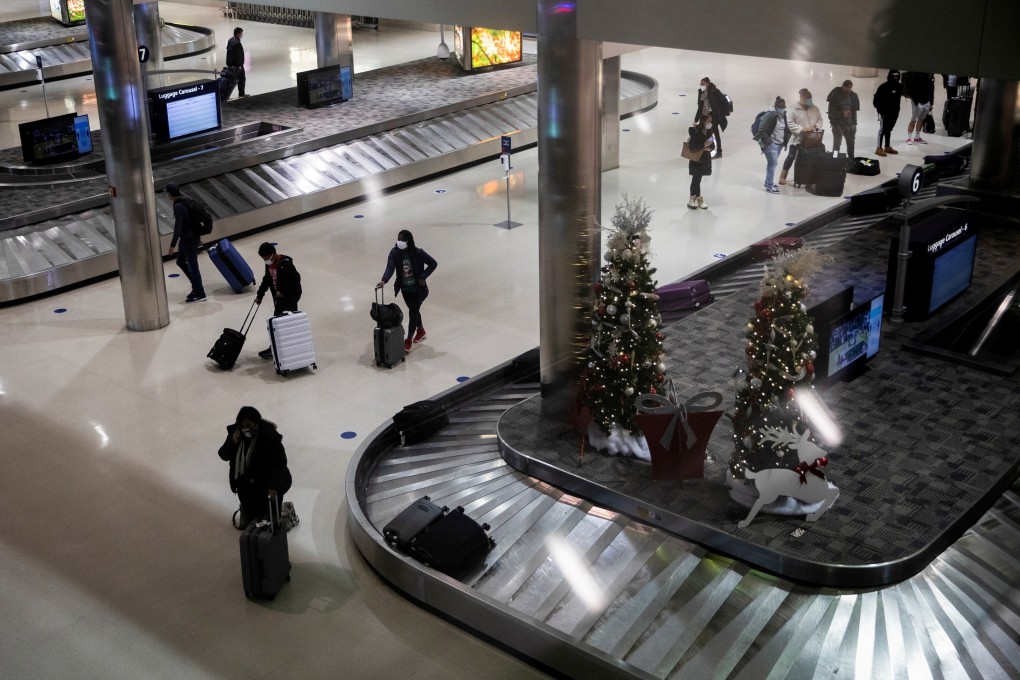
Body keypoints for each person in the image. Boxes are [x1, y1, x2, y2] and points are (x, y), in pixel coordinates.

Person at [218, 406, 292, 529]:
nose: (246, 429)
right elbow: (223, 455)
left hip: (269, 483)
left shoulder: (269, 437)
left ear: (257, 423)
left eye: (249, 425)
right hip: (246, 483)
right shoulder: (236, 434)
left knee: (269, 519)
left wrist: (274, 487)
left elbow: (280, 465)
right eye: (243, 426)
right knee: (253, 518)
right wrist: (232, 441)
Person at [376, 230, 438, 353]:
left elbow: (433, 263)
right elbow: (390, 267)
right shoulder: (394, 253)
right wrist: (384, 280)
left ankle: (408, 340)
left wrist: (423, 277)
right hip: (405, 289)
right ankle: (421, 331)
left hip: (419, 290)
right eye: (398, 239)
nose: (400, 242)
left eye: (403, 240)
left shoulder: (417, 252)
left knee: (413, 312)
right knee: (414, 310)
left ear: (408, 242)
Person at [255, 242, 302, 360]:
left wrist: (283, 292)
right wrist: (260, 295)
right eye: (263, 259)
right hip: (279, 299)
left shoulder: (285, 264)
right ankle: (275, 348)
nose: (266, 261)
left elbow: (296, 280)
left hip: (289, 299)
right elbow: (267, 279)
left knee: (287, 324)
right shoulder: (269, 264)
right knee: (277, 324)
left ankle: (289, 349)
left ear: (273, 254)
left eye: (266, 258)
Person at [165, 183, 206, 303]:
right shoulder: (185, 200)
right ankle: (196, 287)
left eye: (168, 193)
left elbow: (178, 227)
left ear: (171, 194)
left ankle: (200, 293)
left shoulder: (179, 207)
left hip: (190, 240)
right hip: (187, 238)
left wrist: (172, 245)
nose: (167, 195)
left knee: (193, 267)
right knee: (180, 261)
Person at [779, 88, 823, 186]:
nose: (810, 101)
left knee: (813, 157)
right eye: (807, 99)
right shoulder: (793, 109)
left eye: (810, 99)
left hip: (812, 139)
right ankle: (782, 176)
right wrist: (802, 129)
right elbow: (789, 123)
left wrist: (816, 126)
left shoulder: (815, 108)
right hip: (797, 139)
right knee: (791, 156)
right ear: (801, 98)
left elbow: (820, 120)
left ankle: (811, 176)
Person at [753, 97, 791, 194]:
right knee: (772, 164)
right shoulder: (769, 115)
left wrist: (785, 141)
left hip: (779, 144)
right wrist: (769, 143)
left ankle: (768, 183)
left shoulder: (783, 115)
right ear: (776, 106)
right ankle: (769, 186)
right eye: (780, 107)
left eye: (783, 107)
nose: (782, 109)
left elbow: (785, 127)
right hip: (771, 144)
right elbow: (761, 130)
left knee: (773, 164)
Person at [694, 77, 730, 157]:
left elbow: (724, 101)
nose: (701, 85)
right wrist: (696, 120)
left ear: (708, 84)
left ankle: (717, 151)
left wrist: (724, 112)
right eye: (700, 84)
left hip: (713, 116)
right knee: (706, 133)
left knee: (713, 133)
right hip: (704, 117)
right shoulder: (701, 92)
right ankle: (711, 148)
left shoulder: (714, 92)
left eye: (703, 84)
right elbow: (700, 107)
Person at [826, 79, 860, 160]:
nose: (847, 90)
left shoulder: (853, 95)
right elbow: (831, 112)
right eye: (846, 88)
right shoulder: (835, 95)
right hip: (838, 124)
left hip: (850, 124)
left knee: (851, 144)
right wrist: (842, 113)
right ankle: (834, 159)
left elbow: (854, 111)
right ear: (842, 86)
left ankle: (851, 160)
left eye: (849, 89)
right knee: (837, 145)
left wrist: (854, 123)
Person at [686, 115, 715, 209]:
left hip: (704, 160)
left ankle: (695, 198)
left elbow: (713, 145)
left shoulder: (709, 132)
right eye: (708, 121)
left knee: (697, 179)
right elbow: (693, 148)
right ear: (703, 122)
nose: (709, 122)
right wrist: (704, 145)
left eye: (710, 120)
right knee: (696, 179)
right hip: (696, 160)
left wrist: (709, 148)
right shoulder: (696, 132)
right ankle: (694, 198)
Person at [873, 69, 903, 157]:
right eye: (894, 76)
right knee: (882, 130)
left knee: (889, 129)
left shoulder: (899, 86)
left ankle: (887, 146)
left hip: (895, 112)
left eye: (897, 76)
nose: (895, 78)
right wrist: (881, 111)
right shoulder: (883, 87)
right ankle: (878, 148)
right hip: (885, 113)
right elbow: (876, 101)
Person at [902, 71, 935, 144]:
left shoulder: (931, 75)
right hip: (917, 101)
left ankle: (917, 137)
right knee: (914, 119)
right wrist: (916, 101)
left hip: (926, 101)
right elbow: (913, 87)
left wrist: (931, 103)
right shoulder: (917, 74)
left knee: (921, 119)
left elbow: (931, 89)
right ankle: (909, 138)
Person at [225, 27, 249, 98]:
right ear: (237, 33)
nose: (241, 35)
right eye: (241, 33)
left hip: (230, 64)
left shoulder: (230, 40)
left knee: (230, 80)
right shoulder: (237, 43)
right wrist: (239, 66)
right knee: (242, 79)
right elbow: (238, 55)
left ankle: (226, 94)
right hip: (237, 65)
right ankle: (241, 93)